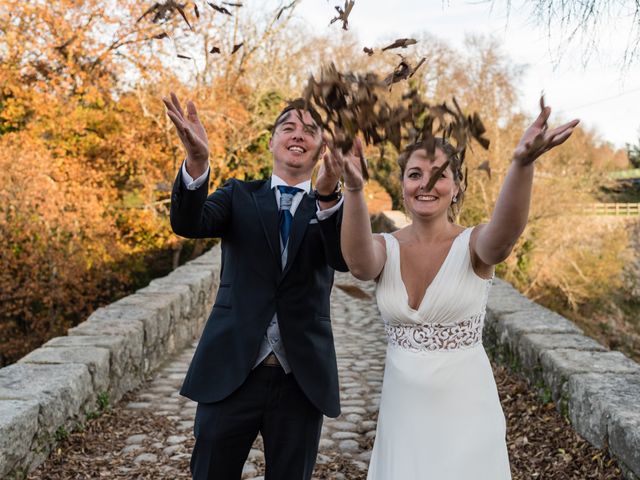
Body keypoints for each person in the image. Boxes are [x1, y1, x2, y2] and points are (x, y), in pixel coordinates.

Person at [328, 105, 579, 479]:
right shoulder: (385, 247)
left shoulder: (475, 245)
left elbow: (504, 237)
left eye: (439, 175)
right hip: (403, 420)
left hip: (466, 419)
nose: (426, 184)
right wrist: (353, 186)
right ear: (403, 186)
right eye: (415, 174)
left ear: (458, 185)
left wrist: (522, 164)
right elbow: (359, 264)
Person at [163, 93, 349, 480]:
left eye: (311, 130)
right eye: (289, 127)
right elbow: (188, 224)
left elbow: (343, 260)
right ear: (271, 140)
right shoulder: (238, 195)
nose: (299, 135)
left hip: (301, 380)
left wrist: (329, 196)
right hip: (230, 372)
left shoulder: (331, 208)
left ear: (322, 148)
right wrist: (197, 162)